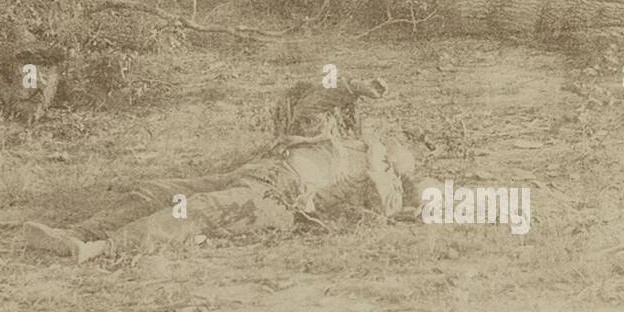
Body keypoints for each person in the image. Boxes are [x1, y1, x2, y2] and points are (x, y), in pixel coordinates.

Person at [23, 76, 418, 263]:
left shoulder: (382, 181)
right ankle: (73, 233)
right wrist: (352, 87)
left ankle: (99, 249)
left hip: (278, 200)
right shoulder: (334, 139)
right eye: (394, 142)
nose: (394, 146)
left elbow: (381, 206)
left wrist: (380, 165)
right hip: (256, 173)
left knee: (198, 211)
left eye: (401, 151)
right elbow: (314, 105)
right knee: (158, 190)